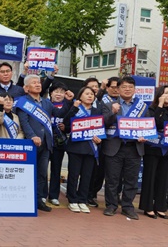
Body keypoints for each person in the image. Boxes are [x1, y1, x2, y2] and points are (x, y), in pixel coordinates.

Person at [15, 75, 71, 212]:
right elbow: (24, 122)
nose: (38, 84)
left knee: (42, 173)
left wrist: (69, 102)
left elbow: (59, 113)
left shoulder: (46, 103)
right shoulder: (23, 102)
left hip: (46, 143)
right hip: (31, 143)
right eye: (34, 83)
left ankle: (40, 200)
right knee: (28, 172)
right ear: (26, 88)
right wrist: (32, 136)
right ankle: (26, 199)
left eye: (39, 82)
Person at [101, 76, 147, 220]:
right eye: (124, 87)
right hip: (114, 146)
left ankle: (127, 206)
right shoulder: (109, 105)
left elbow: (147, 126)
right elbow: (103, 124)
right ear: (118, 89)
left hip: (134, 147)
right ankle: (111, 205)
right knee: (112, 179)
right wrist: (113, 113)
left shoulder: (143, 107)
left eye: (130, 87)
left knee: (131, 180)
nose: (127, 89)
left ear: (134, 89)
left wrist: (144, 135)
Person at [139, 85, 168, 220]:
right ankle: (148, 207)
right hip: (153, 147)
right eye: (166, 93)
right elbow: (155, 123)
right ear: (159, 95)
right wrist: (160, 106)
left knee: (164, 178)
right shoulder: (152, 109)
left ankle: (161, 207)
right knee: (150, 177)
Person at [62, 87, 103, 213]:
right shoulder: (75, 108)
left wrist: (99, 139)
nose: (90, 96)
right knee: (74, 174)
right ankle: (72, 199)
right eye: (87, 94)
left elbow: (100, 128)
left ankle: (82, 199)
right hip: (76, 146)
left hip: (90, 147)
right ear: (80, 96)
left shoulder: (97, 111)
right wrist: (74, 107)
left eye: (92, 94)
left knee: (87, 176)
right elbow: (66, 124)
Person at [88, 76, 120, 207]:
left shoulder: (123, 101)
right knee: (98, 170)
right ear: (107, 87)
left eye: (119, 87)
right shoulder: (102, 100)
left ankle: (115, 195)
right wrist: (100, 89)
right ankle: (92, 194)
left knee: (116, 173)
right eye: (113, 87)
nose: (116, 90)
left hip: (117, 141)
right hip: (102, 139)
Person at [47, 82, 69, 207]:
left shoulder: (68, 106)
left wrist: (66, 128)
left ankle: (54, 196)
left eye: (61, 92)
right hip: (46, 141)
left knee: (56, 170)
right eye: (56, 91)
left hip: (59, 143)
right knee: (42, 169)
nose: (59, 94)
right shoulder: (45, 104)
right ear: (51, 93)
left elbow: (72, 124)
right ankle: (42, 194)